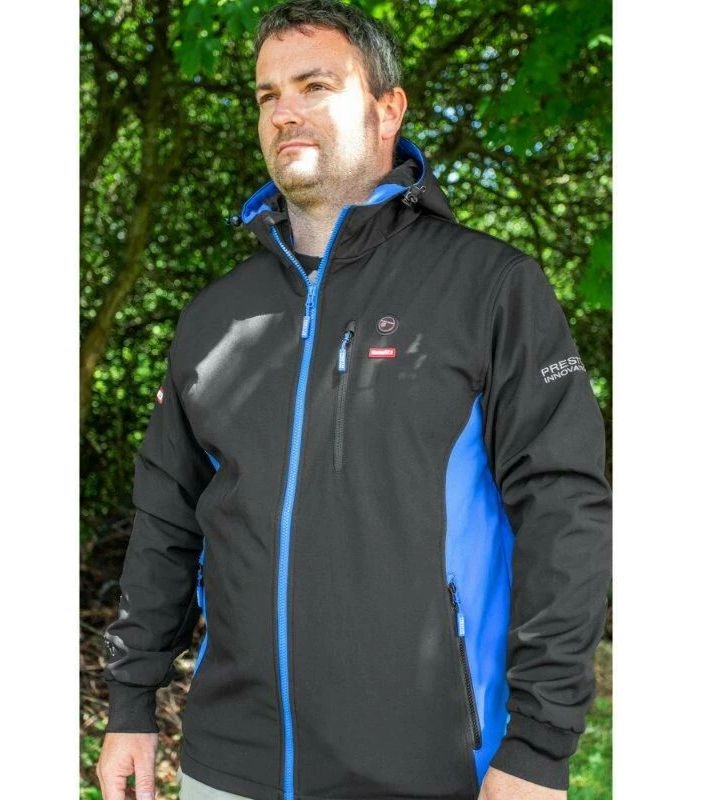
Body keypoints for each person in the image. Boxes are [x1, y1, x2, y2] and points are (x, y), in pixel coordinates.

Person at [96, 2, 612, 799]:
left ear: (387, 108)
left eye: (314, 85)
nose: (284, 111)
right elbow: (166, 521)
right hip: (228, 766)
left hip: (430, 768)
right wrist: (131, 699)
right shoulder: (214, 318)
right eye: (267, 95)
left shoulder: (490, 287)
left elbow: (565, 513)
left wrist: (539, 746)